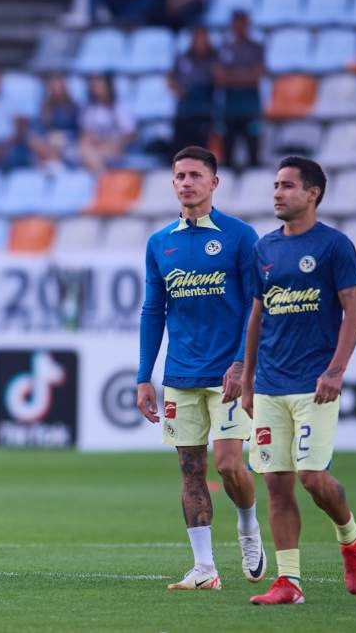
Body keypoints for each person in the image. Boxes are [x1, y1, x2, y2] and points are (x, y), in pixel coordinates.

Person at [137, 146, 265, 591]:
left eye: (195, 175)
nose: (186, 182)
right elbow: (154, 311)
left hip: (228, 376)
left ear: (214, 182)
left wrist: (240, 363)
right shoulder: (160, 243)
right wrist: (142, 376)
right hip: (180, 376)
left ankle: (248, 526)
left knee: (230, 465)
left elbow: (257, 304)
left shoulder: (239, 236)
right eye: (179, 176)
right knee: (191, 471)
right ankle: (205, 568)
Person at [242, 156, 356, 605]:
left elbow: (353, 308)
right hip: (271, 385)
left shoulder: (334, 246)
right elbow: (257, 314)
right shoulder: (265, 249)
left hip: (314, 384)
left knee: (312, 478)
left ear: (312, 193)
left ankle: (351, 542)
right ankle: (289, 583)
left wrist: (336, 369)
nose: (277, 193)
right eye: (275, 185)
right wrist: (247, 374)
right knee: (276, 484)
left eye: (287, 186)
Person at [213, 10, 264, 168]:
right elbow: (219, 77)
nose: (240, 27)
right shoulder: (225, 48)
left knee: (253, 150)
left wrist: (232, 76)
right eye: (237, 24)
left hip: (250, 106)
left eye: (243, 24)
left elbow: (256, 76)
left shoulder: (256, 48)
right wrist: (244, 76)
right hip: (230, 106)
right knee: (228, 150)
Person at [78, 73, 136, 175]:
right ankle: (103, 175)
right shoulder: (89, 109)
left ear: (108, 88)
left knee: (90, 154)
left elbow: (130, 134)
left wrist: (113, 142)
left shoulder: (119, 108)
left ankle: (102, 176)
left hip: (116, 146)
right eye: (94, 87)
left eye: (100, 86)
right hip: (96, 147)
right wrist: (94, 139)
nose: (97, 90)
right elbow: (86, 133)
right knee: (84, 147)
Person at [169, 26, 216, 153]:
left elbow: (220, 80)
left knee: (201, 150)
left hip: (204, 110)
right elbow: (170, 79)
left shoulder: (214, 58)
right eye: (196, 38)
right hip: (185, 109)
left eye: (202, 38)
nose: (199, 42)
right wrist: (179, 89)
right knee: (179, 148)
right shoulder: (183, 58)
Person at [27, 72, 79, 175]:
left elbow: (79, 133)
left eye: (59, 87)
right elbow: (34, 134)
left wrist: (58, 140)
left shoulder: (73, 109)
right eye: (53, 87)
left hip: (67, 146)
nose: (56, 91)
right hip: (47, 146)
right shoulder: (43, 110)